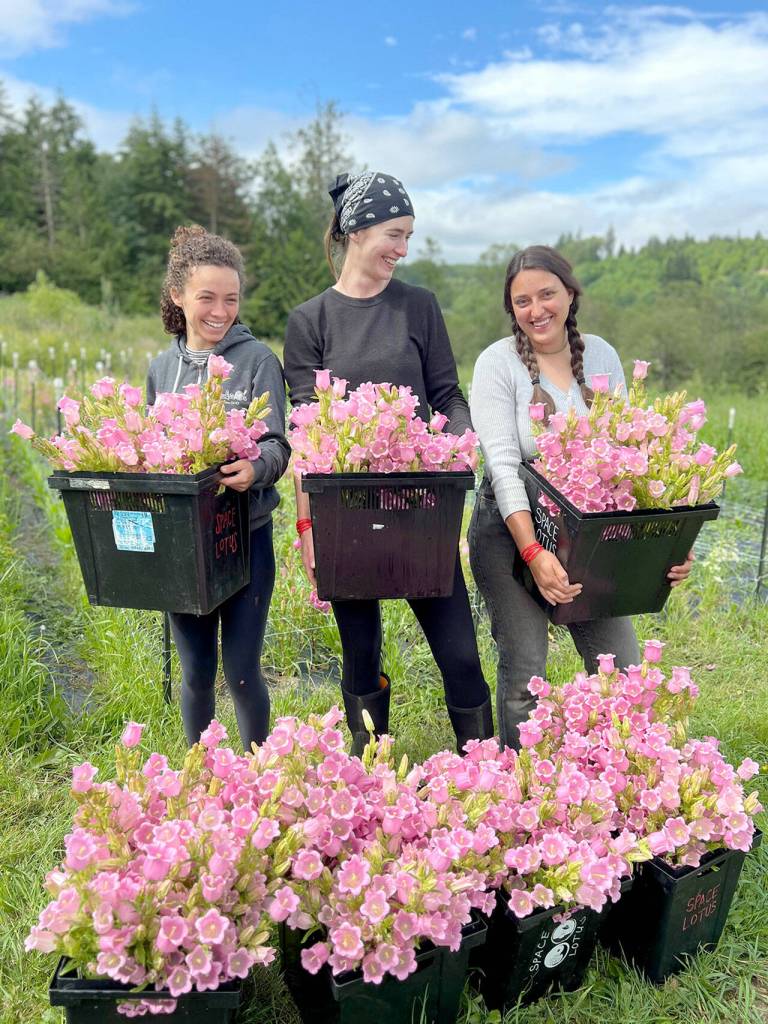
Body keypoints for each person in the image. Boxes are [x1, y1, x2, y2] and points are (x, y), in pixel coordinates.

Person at [283, 170, 493, 755]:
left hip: (422, 506)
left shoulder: (418, 307)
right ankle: (371, 769)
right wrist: (307, 527)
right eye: (394, 234)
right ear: (354, 229)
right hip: (346, 515)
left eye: (409, 236)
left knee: (458, 651)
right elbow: (306, 431)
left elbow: (448, 395)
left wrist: (459, 442)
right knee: (360, 651)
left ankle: (486, 770)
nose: (402, 249)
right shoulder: (310, 321)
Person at [468, 245, 693, 749]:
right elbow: (504, 467)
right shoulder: (497, 364)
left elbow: (630, 457)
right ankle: (522, 790)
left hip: (585, 536)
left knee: (622, 672)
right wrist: (534, 553)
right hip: (509, 535)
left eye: (547, 294)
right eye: (522, 301)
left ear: (569, 294)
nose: (536, 309)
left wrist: (671, 544)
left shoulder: (602, 356)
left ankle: (622, 782)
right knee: (527, 672)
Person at [147, 225, 290, 750]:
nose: (219, 310)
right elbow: (148, 452)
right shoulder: (161, 368)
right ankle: (201, 775)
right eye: (206, 297)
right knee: (196, 673)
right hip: (183, 545)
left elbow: (278, 443)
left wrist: (257, 468)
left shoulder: (256, 361)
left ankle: (257, 775)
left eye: (231, 299)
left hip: (245, 538)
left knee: (244, 672)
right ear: (178, 295)